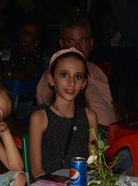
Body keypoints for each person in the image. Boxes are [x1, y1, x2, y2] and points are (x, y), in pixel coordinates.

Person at [36, 15, 121, 128]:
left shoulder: (96, 70)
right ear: (62, 44)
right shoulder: (55, 77)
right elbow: (58, 122)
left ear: (91, 43)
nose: (77, 47)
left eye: (83, 41)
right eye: (70, 41)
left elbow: (111, 103)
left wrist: (121, 129)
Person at [29, 48, 98, 177]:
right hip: (49, 185)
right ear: (51, 79)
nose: (72, 83)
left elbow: (94, 163)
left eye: (78, 77)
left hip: (82, 184)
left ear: (84, 83)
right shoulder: (40, 118)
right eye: (64, 75)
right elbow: (37, 172)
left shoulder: (90, 116)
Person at [110, 0, 138, 113]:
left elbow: (137, 24)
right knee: (115, 78)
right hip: (116, 45)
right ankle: (114, 107)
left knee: (130, 78)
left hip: (130, 45)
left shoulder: (134, 2)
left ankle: (130, 108)